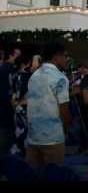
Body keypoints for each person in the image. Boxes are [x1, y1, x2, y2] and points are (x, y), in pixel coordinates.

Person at [26, 42, 71, 170]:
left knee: (34, 176)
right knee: (54, 175)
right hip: (53, 138)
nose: (66, 59)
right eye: (64, 55)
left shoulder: (34, 76)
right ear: (56, 57)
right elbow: (64, 110)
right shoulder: (60, 78)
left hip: (33, 137)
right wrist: (66, 130)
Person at [10, 55, 34, 156]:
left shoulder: (14, 75)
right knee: (27, 133)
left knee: (18, 131)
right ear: (26, 64)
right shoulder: (29, 76)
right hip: (26, 107)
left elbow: (13, 94)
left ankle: (19, 153)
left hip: (16, 107)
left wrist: (15, 103)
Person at [0, 47, 21, 155]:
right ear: (11, 55)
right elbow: (7, 91)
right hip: (7, 109)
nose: (19, 57)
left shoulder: (7, 68)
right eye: (17, 55)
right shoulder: (7, 69)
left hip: (8, 108)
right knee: (6, 137)